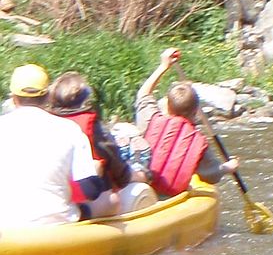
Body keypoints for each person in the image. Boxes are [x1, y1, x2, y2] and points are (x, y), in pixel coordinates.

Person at [0, 64, 120, 226]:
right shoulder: (70, 129)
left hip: (5, 226)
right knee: (111, 201)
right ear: (48, 96)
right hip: (59, 224)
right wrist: (97, 172)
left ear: (14, 98)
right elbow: (90, 191)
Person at [135, 48, 239, 197]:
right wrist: (229, 167)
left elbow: (143, 94)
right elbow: (211, 175)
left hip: (140, 190)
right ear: (196, 111)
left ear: (167, 106)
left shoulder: (150, 119)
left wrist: (163, 66)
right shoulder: (198, 142)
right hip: (168, 200)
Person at [48, 72, 154, 213]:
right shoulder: (91, 127)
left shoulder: (46, 122)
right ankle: (141, 167)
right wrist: (140, 175)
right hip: (87, 199)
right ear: (85, 99)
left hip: (55, 196)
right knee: (138, 174)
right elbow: (119, 172)